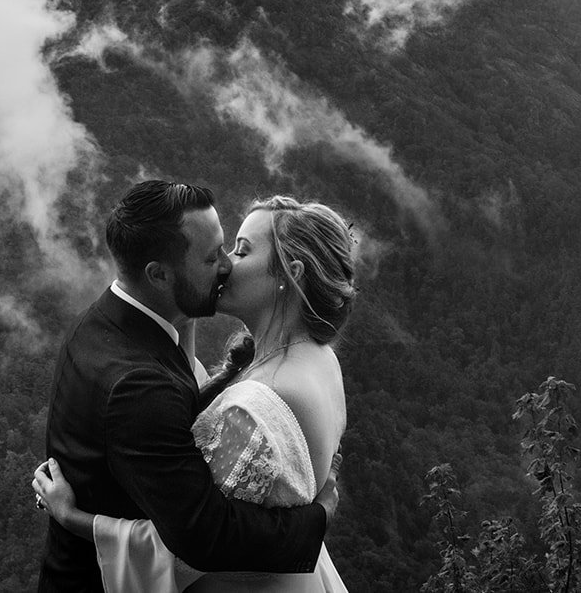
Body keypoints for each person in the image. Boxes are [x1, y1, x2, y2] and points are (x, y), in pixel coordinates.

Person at [34, 194, 358, 593]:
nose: (225, 265)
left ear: (288, 276)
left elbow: (198, 546)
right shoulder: (321, 359)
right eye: (217, 255)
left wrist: (74, 519)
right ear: (159, 275)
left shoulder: (256, 406)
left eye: (239, 251)